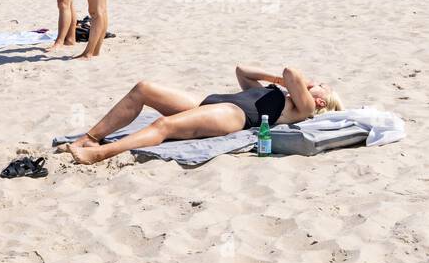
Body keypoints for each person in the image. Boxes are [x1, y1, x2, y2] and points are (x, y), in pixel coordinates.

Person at [65, 66, 343, 164]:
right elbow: (242, 70)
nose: (314, 80)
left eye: (320, 84)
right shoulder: (281, 94)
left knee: (164, 125)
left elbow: (292, 72)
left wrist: (296, 83)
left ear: (319, 101)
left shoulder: (302, 109)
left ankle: (102, 153)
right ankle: (90, 138)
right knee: (143, 89)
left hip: (233, 115)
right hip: (211, 101)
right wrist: (275, 80)